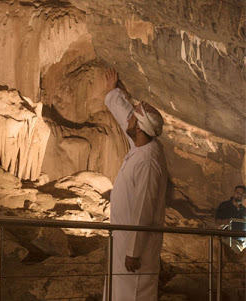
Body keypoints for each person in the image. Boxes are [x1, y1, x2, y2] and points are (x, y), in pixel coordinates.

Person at [103, 68, 168, 301]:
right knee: (120, 291)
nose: (128, 117)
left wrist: (133, 252)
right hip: (124, 240)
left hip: (136, 250)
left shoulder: (148, 161)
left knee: (133, 294)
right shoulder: (142, 144)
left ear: (139, 128)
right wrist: (113, 93)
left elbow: (144, 208)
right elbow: (125, 117)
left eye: (133, 116)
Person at [215, 185, 246, 253]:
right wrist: (225, 222)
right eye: (238, 193)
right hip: (229, 240)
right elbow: (217, 222)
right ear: (234, 193)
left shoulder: (244, 210)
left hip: (242, 242)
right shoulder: (225, 206)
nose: (239, 195)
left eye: (242, 194)